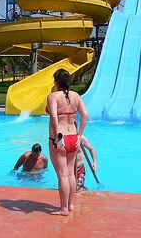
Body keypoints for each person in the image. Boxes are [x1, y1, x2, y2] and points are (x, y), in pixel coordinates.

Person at [47, 69, 89, 216]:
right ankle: (70, 204)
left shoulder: (53, 96)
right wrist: (79, 135)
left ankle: (63, 208)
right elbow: (85, 115)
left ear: (56, 82)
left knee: (63, 175)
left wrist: (57, 137)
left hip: (60, 138)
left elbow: (53, 116)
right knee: (71, 174)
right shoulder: (76, 96)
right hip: (73, 137)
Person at [73, 121, 97, 193]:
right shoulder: (64, 139)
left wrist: (95, 162)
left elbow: (91, 149)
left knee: (79, 189)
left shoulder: (81, 138)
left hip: (79, 168)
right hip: (69, 170)